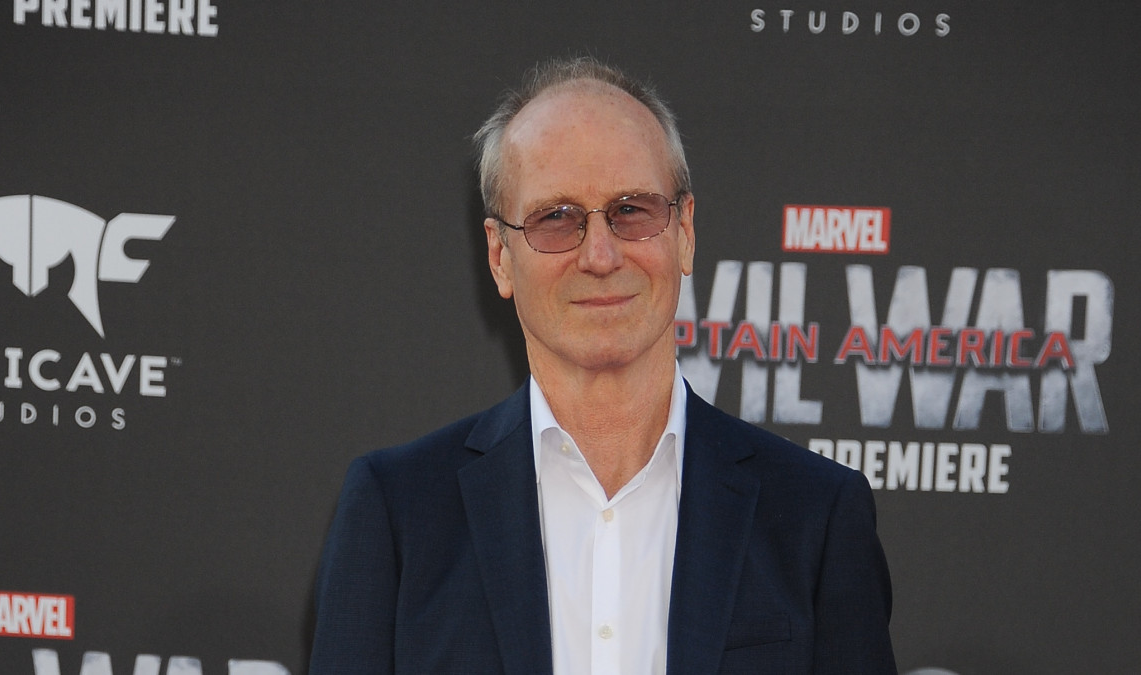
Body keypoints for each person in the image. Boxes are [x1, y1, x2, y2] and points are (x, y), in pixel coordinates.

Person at [309, 56, 896, 674]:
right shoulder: (399, 511)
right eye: (555, 218)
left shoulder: (814, 514)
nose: (600, 254)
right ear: (500, 256)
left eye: (632, 210)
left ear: (685, 232)